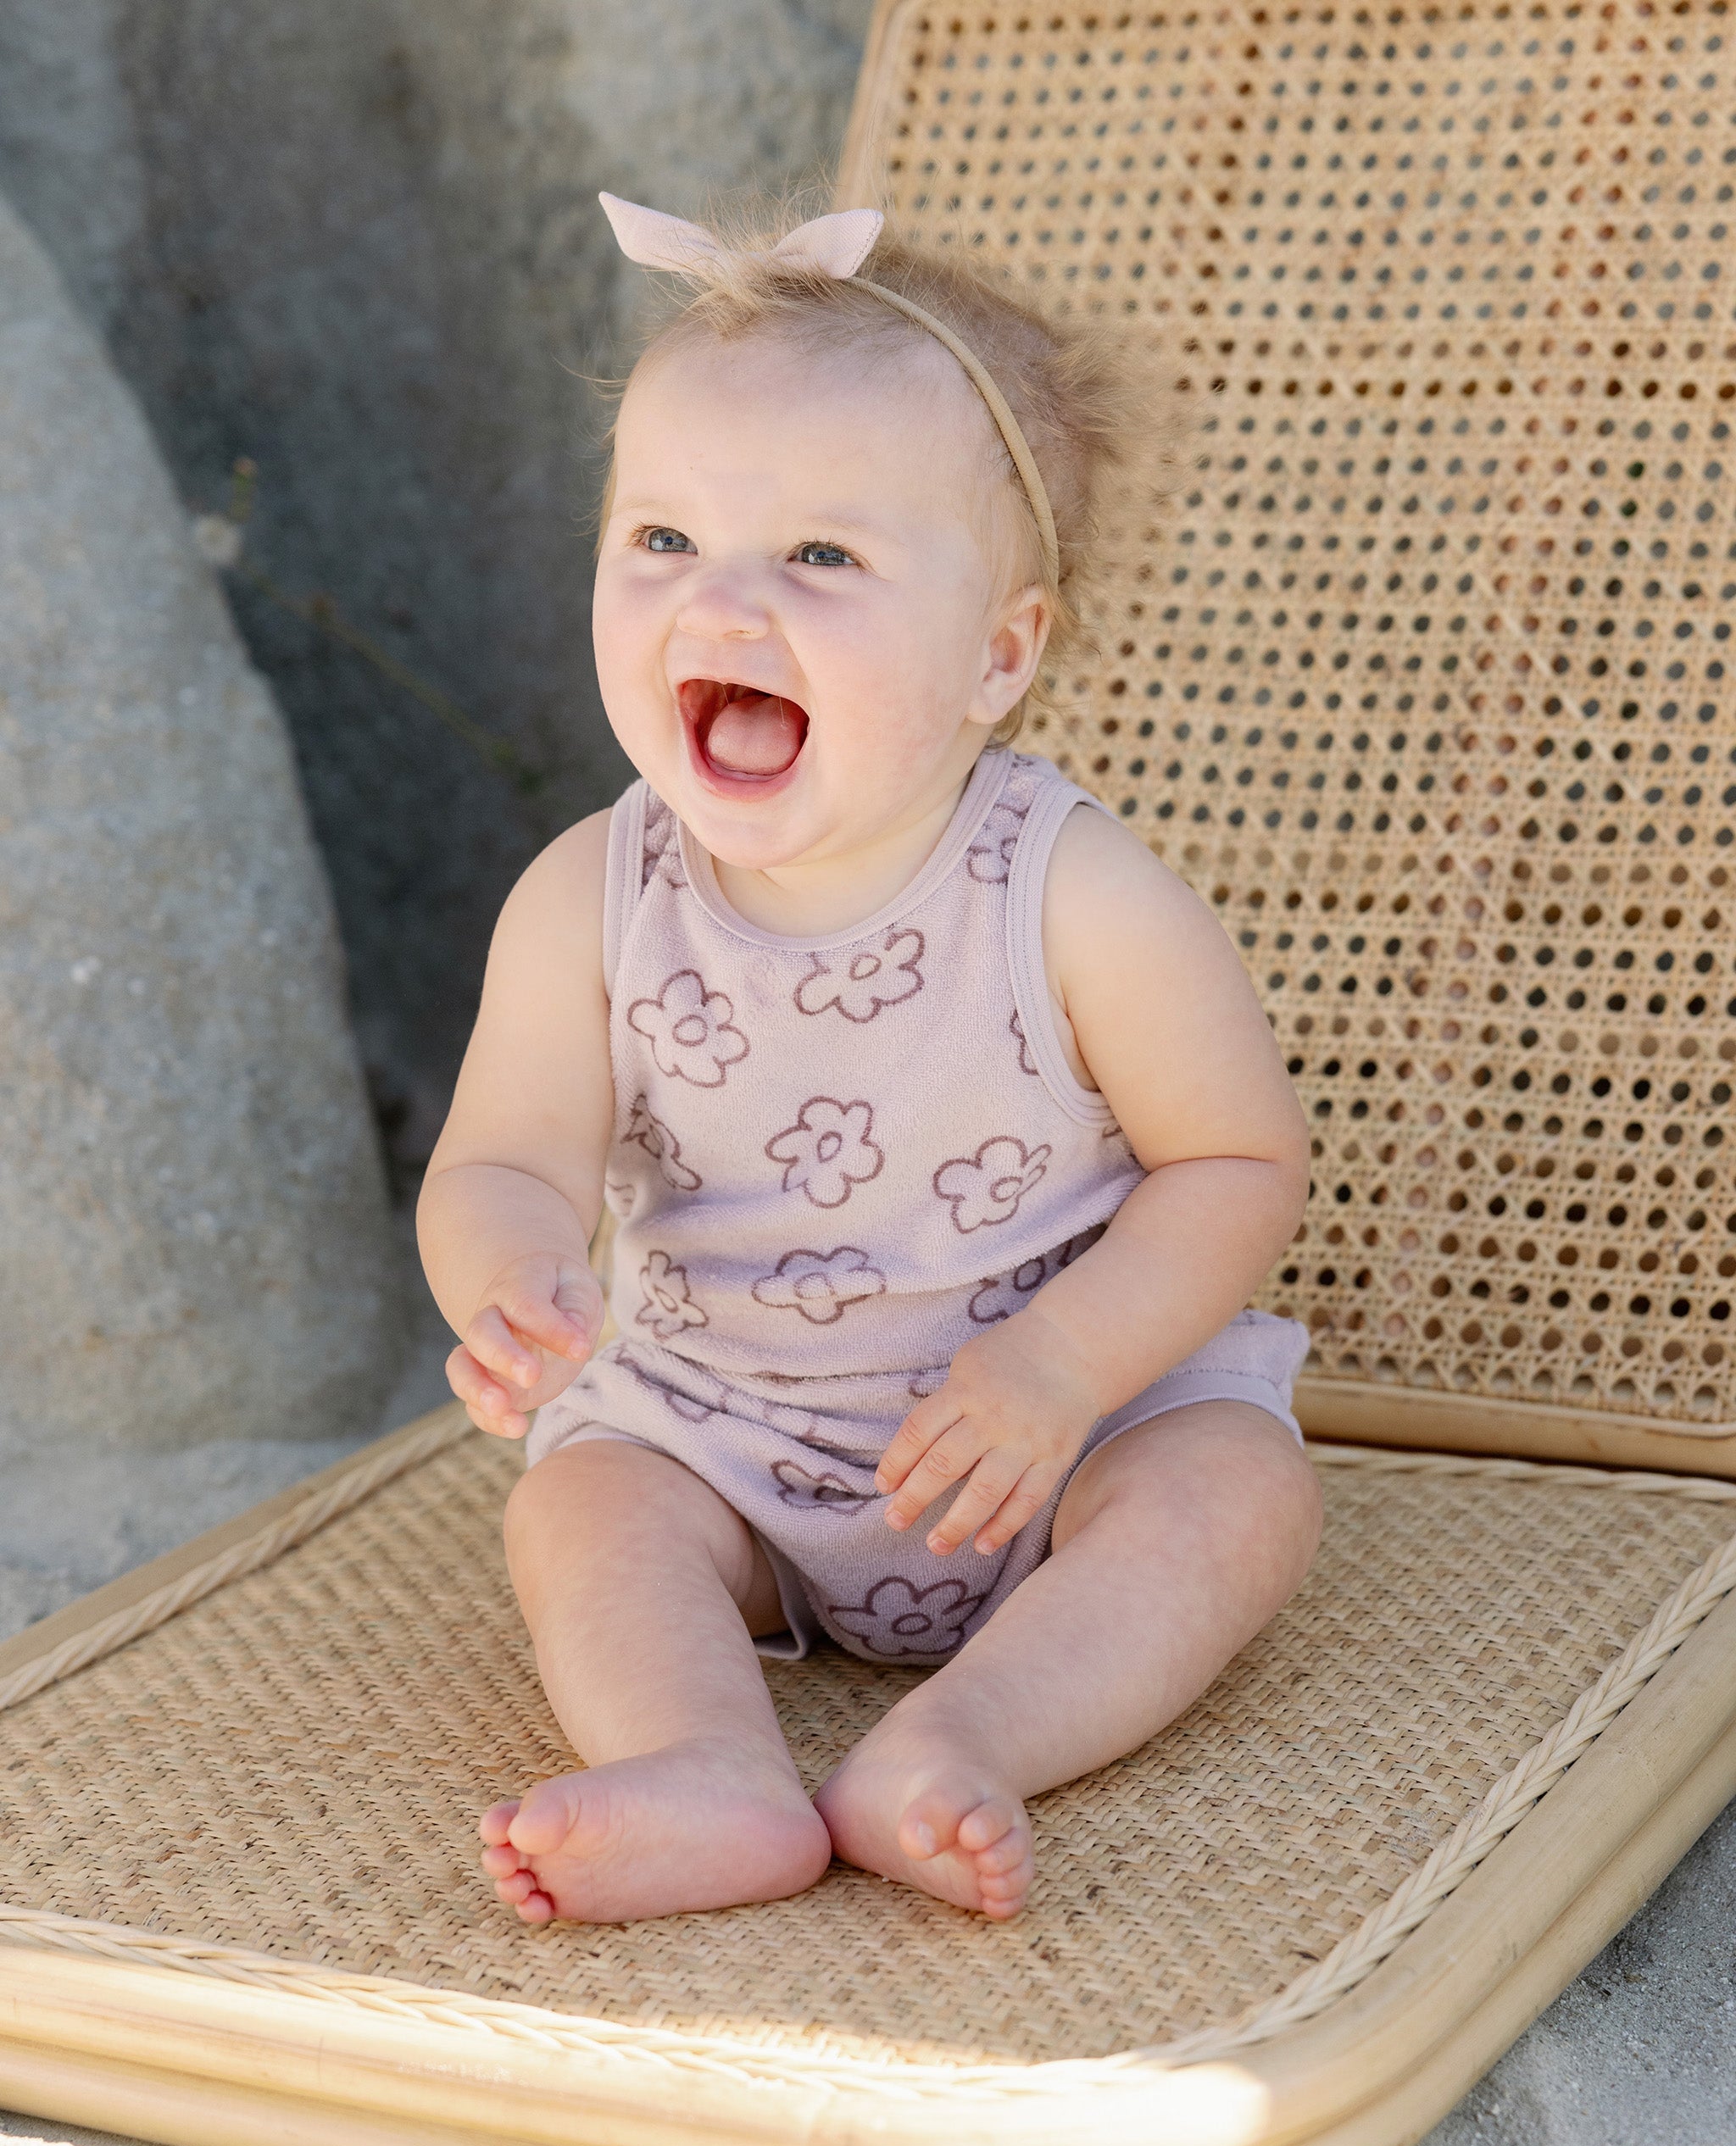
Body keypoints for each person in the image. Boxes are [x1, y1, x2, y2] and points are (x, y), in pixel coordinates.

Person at [417, 193, 1321, 1928]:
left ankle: (961, 1741)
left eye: (822, 557)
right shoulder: (588, 897)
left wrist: (1063, 1367)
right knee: (584, 1505)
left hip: (1062, 1434)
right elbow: (504, 1157)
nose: (723, 600)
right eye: (663, 536)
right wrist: (510, 1278)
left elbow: (1236, 1160)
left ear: (999, 652)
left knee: (1234, 1495)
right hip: (726, 1442)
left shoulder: (1072, 893)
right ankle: (707, 1761)